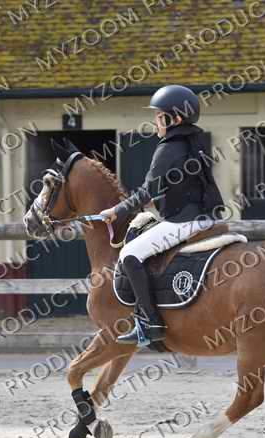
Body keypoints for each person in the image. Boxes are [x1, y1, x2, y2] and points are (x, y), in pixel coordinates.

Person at [99, 84, 225, 346]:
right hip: (206, 215)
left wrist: (116, 211)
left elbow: (147, 190)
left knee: (129, 254)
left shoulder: (168, 147)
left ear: (175, 119)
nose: (155, 121)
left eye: (159, 116)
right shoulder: (195, 141)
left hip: (184, 221)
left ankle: (150, 323)